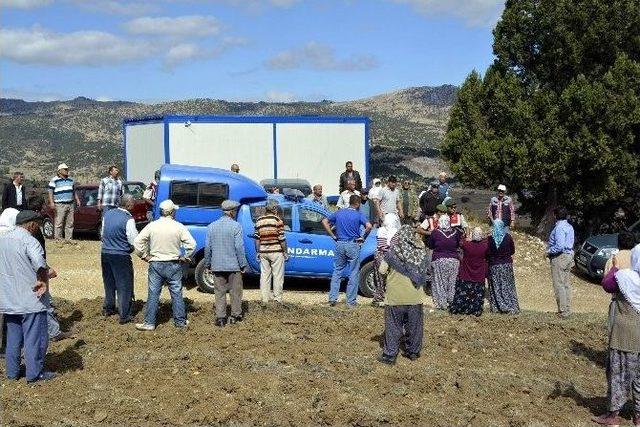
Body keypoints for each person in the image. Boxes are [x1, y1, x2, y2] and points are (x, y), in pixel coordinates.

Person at [0, 210, 55, 383]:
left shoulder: (3, 240)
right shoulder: (30, 241)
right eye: (37, 225)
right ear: (31, 224)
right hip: (31, 300)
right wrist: (43, 281)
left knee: (13, 338)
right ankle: (34, 373)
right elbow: (40, 264)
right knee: (34, 338)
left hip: (9, 299)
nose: (38, 228)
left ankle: (12, 372)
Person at [592, 243, 640, 427]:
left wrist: (615, 266)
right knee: (639, 379)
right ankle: (638, 417)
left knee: (619, 374)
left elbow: (607, 284)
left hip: (624, 334)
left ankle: (613, 416)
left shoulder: (626, 277)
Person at [134, 199, 196, 331]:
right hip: (173, 263)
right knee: (176, 293)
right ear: (172, 212)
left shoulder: (152, 226)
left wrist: (144, 256)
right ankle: (180, 322)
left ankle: (149, 322)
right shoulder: (179, 226)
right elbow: (192, 245)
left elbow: (138, 242)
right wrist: (185, 257)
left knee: (153, 294)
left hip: (156, 263)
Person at [377, 225, 429, 365]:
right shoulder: (421, 252)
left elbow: (382, 271)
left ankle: (390, 355)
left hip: (395, 296)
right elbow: (426, 272)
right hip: (415, 296)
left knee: (393, 326)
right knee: (415, 326)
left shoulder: (393, 252)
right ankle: (413, 352)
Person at [322, 195, 372, 307]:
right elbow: (369, 226)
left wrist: (332, 235)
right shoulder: (358, 214)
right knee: (353, 272)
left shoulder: (339, 213)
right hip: (352, 244)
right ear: (358, 204)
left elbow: (325, 221)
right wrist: (363, 237)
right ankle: (350, 301)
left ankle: (332, 298)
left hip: (339, 243)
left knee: (337, 271)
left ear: (349, 202)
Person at [205, 200, 248, 327]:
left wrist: (208, 263)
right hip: (233, 265)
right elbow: (239, 247)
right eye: (235, 211)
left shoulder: (211, 226)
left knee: (219, 292)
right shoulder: (236, 226)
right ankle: (235, 316)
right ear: (231, 212)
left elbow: (208, 247)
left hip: (217, 265)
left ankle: (220, 318)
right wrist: (243, 264)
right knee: (235, 292)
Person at [101, 194, 138, 324]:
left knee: (109, 282)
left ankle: (108, 308)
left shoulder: (108, 214)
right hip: (121, 255)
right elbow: (134, 240)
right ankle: (124, 315)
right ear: (128, 205)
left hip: (105, 253)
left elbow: (103, 234)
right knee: (124, 285)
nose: (134, 204)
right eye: (133, 202)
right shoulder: (128, 219)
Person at [254, 200, 288, 305]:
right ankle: (277, 299)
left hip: (263, 251)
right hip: (276, 251)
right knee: (277, 276)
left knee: (264, 275)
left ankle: (264, 299)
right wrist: (285, 251)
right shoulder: (277, 220)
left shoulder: (259, 220)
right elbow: (281, 238)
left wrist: (258, 251)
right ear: (274, 209)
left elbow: (257, 238)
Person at [450, 227, 489, 316]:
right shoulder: (485, 246)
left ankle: (460, 309)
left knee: (464, 293)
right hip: (479, 274)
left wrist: (465, 236)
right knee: (476, 295)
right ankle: (475, 310)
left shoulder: (467, 245)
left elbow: (460, 242)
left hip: (466, 273)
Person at [427, 215, 461, 310]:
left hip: (439, 260)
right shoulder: (456, 232)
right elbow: (458, 245)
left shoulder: (435, 233)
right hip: (454, 260)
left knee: (439, 282)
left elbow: (430, 245)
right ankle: (452, 301)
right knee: (452, 282)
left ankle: (442, 303)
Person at [547, 206, 575, 318]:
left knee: (559, 284)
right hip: (569, 255)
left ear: (555, 215)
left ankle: (563, 311)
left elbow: (559, 246)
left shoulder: (559, 228)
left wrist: (548, 251)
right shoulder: (569, 226)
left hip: (560, 256)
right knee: (566, 284)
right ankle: (567, 308)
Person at [486, 220, 519, 314]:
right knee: (508, 285)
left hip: (494, 265)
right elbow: (512, 251)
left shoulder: (490, 239)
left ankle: (498, 307)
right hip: (506, 265)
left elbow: (487, 253)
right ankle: (511, 306)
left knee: (496, 286)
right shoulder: (508, 237)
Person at [372, 213, 401, 306]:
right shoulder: (397, 232)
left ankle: (379, 298)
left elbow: (381, 245)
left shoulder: (381, 230)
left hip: (381, 256)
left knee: (380, 278)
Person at [47, 163, 80, 241]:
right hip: (59, 204)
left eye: (67, 169)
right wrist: (52, 203)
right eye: (65, 169)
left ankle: (69, 239)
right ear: (59, 171)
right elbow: (50, 191)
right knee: (59, 222)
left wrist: (77, 199)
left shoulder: (71, 179)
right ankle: (58, 239)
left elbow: (73, 191)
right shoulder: (54, 180)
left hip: (70, 203)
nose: (67, 170)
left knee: (70, 222)